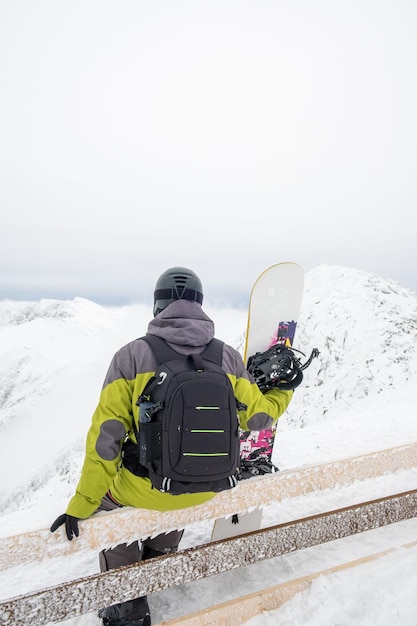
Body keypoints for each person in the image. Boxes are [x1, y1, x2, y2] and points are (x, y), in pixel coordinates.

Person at [51, 267, 293, 626]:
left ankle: (125, 603)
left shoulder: (132, 356)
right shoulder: (226, 357)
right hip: (203, 489)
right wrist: (284, 390)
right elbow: (258, 420)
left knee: (109, 502)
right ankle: (159, 557)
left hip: (146, 490)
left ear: (157, 306)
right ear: (200, 305)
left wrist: (81, 504)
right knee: (173, 489)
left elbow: (107, 439)